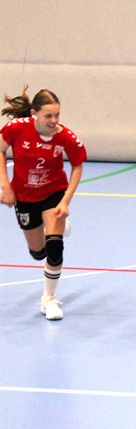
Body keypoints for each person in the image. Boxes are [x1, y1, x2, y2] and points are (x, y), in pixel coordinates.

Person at [0, 87, 86, 320]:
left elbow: (77, 166)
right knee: (38, 252)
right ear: (34, 114)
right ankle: (56, 230)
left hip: (53, 193)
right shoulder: (16, 128)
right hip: (25, 196)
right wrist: (6, 186)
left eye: (57, 115)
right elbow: (1, 150)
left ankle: (48, 299)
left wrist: (65, 201)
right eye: (48, 115)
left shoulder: (65, 137)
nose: (54, 120)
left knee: (55, 248)